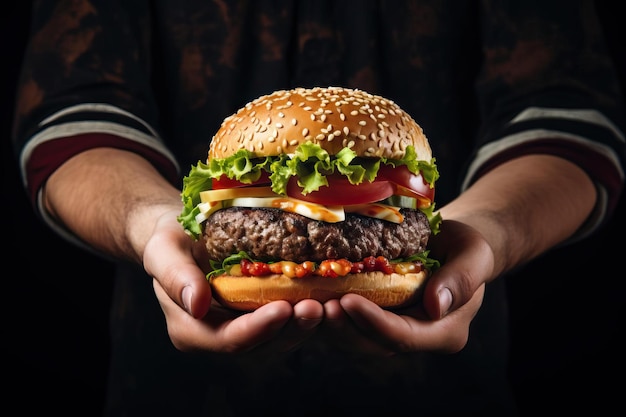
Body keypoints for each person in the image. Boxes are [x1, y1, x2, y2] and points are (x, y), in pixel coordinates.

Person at [11, 1, 625, 416]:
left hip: (446, 389)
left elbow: (566, 117)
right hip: (174, 390)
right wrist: (149, 222)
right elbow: (72, 115)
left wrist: (484, 234)